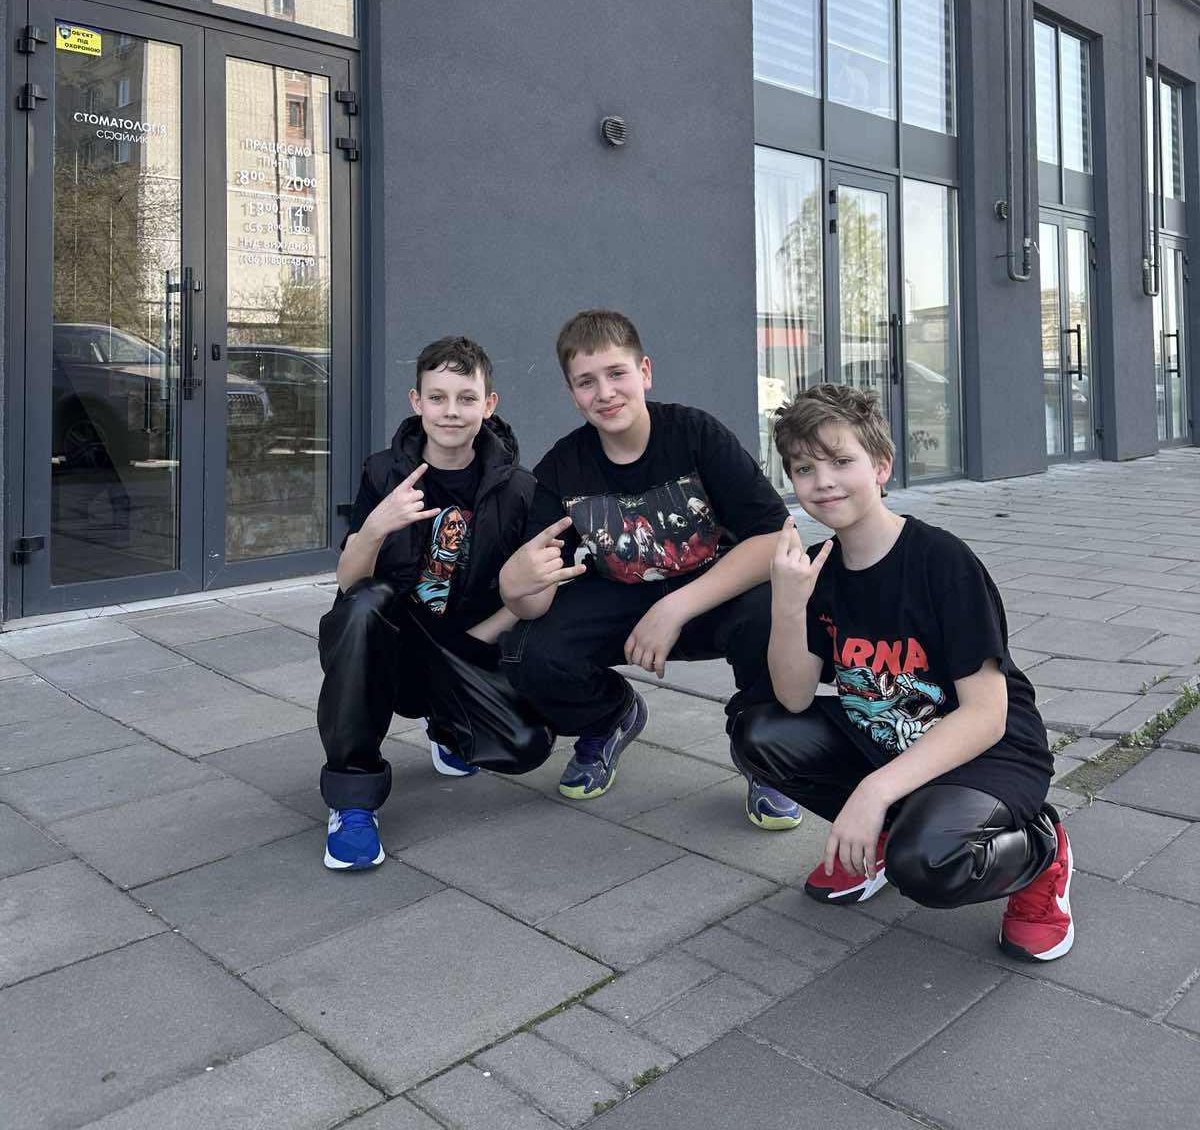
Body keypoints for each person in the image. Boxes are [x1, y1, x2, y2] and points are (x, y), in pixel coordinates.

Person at [732, 383, 1073, 961]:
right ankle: (888, 831)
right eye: (805, 469)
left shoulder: (941, 561)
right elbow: (792, 698)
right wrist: (787, 604)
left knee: (929, 863)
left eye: (841, 461)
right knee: (758, 733)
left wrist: (873, 790)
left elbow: (987, 717)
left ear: (881, 465)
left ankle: (1041, 851)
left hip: (987, 752)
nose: (823, 481)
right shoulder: (817, 571)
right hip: (889, 737)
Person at [498, 308, 803, 829]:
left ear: (644, 371)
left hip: (710, 594)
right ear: (572, 394)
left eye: (616, 373)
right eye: (586, 382)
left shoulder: (695, 434)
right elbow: (536, 598)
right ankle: (609, 716)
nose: (605, 393)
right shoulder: (562, 467)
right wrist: (514, 587)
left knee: (775, 607)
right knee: (526, 649)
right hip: (622, 596)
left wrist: (675, 608)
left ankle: (763, 747)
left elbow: (777, 537)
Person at [317, 335, 553, 870]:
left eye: (466, 398)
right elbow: (349, 581)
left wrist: (475, 641)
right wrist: (375, 527)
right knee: (364, 605)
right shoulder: (384, 472)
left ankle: (447, 728)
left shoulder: (519, 489)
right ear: (416, 401)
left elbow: (524, 592)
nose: (451, 411)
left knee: (525, 744)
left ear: (489, 405)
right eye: (438, 397)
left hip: (461, 643)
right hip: (386, 640)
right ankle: (352, 801)